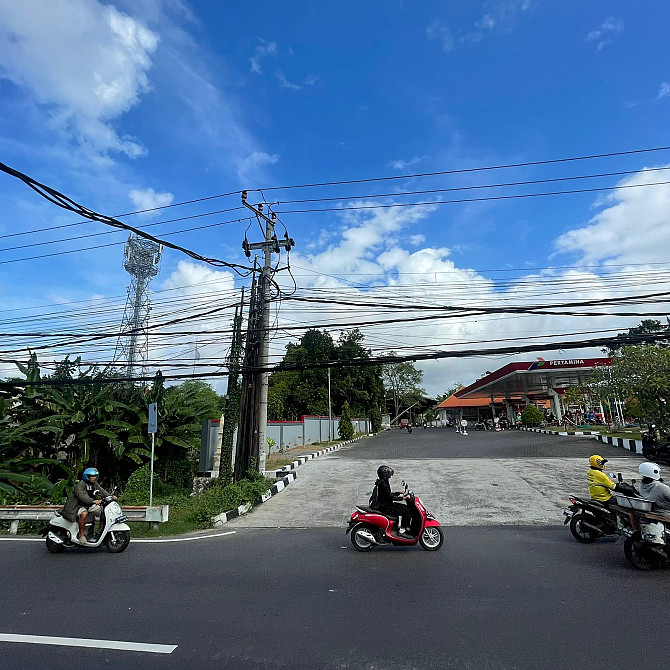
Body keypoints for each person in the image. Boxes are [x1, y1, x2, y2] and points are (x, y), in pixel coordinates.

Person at [61, 467, 115, 543]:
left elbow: (101, 491)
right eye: (92, 476)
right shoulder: (80, 485)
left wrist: (110, 496)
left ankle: (99, 531)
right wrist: (93, 501)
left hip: (88, 505)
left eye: (95, 476)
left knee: (103, 511)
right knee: (84, 513)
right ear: (87, 476)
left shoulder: (94, 484)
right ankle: (81, 535)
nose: (94, 478)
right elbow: (82, 496)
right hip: (76, 506)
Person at [370, 465, 412, 535]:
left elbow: (388, 495)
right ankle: (402, 530)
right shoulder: (383, 484)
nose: (390, 474)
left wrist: (399, 493)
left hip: (386, 504)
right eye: (388, 473)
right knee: (407, 511)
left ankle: (401, 528)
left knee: (404, 509)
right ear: (384, 474)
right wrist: (403, 498)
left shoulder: (382, 481)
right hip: (387, 507)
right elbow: (390, 497)